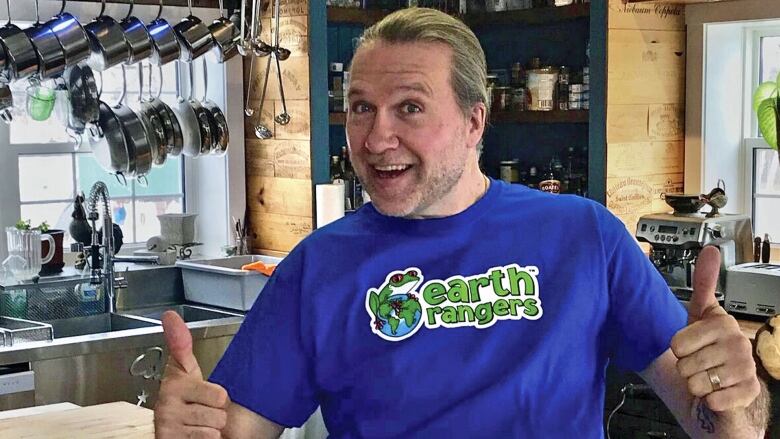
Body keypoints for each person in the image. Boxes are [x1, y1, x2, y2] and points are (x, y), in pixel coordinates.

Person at [154, 8, 768, 438]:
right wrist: (189, 428)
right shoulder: (318, 266)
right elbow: (235, 429)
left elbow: (711, 422)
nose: (376, 136)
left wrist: (738, 398)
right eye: (361, 107)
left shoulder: (585, 237)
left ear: (476, 122)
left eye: (410, 108)